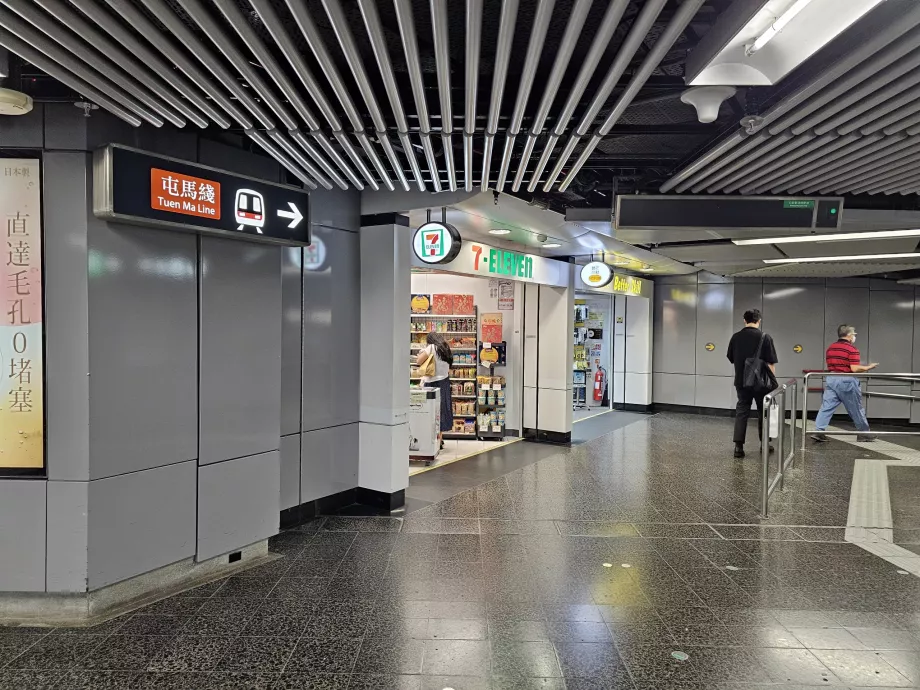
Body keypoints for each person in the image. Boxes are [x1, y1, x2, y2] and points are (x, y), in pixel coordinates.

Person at [727, 309, 778, 459]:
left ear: (744, 320)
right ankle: (764, 444)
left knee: (742, 411)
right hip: (761, 383)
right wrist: (772, 383)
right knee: (764, 412)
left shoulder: (736, 337)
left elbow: (731, 358)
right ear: (759, 321)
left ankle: (738, 447)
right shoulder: (765, 337)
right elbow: (771, 363)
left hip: (741, 381)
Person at [813, 325, 877, 442]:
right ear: (848, 335)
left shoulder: (831, 348)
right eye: (853, 334)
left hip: (832, 379)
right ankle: (863, 433)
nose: (854, 337)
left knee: (826, 407)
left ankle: (818, 432)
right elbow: (854, 368)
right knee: (856, 408)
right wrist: (869, 367)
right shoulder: (852, 349)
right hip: (847, 380)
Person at [416, 332, 454, 447]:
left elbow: (418, 361)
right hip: (444, 382)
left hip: (431, 383)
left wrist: (421, 352)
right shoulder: (446, 348)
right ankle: (439, 439)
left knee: (430, 412)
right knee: (441, 411)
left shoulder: (431, 347)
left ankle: (432, 441)